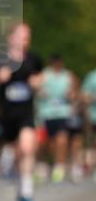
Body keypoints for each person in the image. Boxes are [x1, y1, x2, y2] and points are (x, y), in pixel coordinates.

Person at [0, 23, 43, 201]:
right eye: (21, 35)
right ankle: (19, 184)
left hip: (26, 113)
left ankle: (27, 192)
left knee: (27, 148)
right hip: (7, 115)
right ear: (11, 37)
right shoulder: (1, 59)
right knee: (16, 154)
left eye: (28, 36)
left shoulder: (34, 59)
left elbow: (41, 81)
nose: (25, 39)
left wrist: (38, 83)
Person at [36, 55, 77, 184]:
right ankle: (43, 165)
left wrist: (71, 94)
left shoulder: (68, 75)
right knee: (46, 143)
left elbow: (75, 91)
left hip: (63, 113)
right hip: (46, 114)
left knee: (62, 140)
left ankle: (59, 167)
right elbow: (36, 88)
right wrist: (39, 91)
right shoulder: (44, 75)